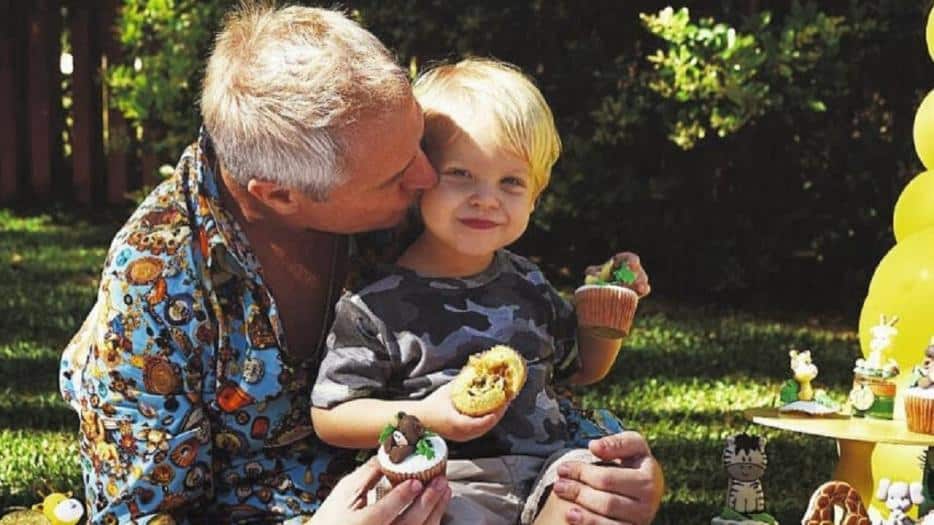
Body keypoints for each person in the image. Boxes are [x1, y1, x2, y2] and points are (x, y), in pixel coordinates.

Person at [58, 4, 663, 524]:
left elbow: (516, 349)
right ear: (280, 195)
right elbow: (138, 513)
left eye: (421, 146)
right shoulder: (156, 293)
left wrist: (613, 471)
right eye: (397, 175)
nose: (427, 179)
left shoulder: (410, 216)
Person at [310, 58, 652, 525]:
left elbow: (583, 368)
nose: (486, 198)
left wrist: (605, 307)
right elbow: (331, 415)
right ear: (421, 179)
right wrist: (426, 415)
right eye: (461, 174)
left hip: (546, 473)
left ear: (535, 195)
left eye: (511, 181)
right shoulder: (376, 305)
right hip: (445, 483)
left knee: (591, 485)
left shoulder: (528, 284)